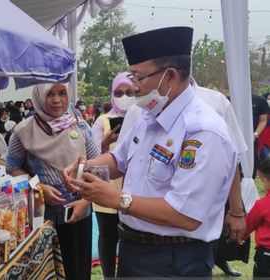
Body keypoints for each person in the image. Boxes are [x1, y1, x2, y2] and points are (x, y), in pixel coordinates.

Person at [63, 26, 237, 277]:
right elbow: (118, 159)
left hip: (175, 260)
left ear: (170, 76)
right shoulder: (148, 116)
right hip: (134, 249)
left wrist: (116, 199)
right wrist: (86, 167)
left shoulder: (203, 132)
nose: (133, 87)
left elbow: (186, 215)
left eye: (139, 77)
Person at [7, 83, 99, 280]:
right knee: (46, 272)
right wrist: (37, 186)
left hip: (79, 214)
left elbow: (96, 169)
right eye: (50, 94)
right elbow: (12, 168)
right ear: (39, 97)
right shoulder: (23, 131)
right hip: (43, 217)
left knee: (77, 270)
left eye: (62, 93)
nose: (57, 99)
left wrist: (85, 202)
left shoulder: (81, 127)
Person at [90, 72, 135, 278]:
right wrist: (105, 143)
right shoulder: (102, 121)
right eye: (119, 92)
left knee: (130, 236)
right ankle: (109, 275)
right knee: (107, 236)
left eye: (128, 92)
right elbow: (90, 153)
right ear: (112, 94)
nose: (124, 96)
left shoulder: (142, 117)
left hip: (133, 190)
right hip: (106, 187)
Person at [242, 158, 270, 278]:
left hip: (266, 255)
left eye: (262, 179)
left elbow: (247, 225)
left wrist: (240, 237)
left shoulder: (262, 205)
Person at [252, 93, 270, 178]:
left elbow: (263, 122)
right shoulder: (228, 100)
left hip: (260, 140)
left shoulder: (260, 101)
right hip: (262, 140)